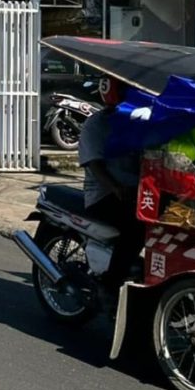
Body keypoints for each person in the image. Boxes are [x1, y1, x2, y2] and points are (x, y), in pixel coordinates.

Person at [76, 76, 144, 284]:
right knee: (136, 227)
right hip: (104, 196)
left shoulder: (137, 122)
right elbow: (94, 164)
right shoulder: (95, 124)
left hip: (136, 192)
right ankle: (112, 282)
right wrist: (117, 188)